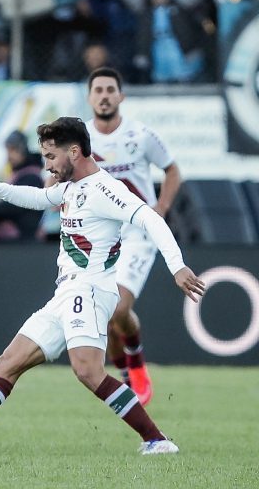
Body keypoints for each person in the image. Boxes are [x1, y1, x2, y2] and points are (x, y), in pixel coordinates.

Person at [0, 117, 204, 455]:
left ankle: (157, 441)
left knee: (88, 371)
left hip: (89, 292)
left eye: (50, 156)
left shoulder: (106, 189)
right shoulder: (71, 187)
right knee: (9, 362)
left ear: (74, 152)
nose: (46, 164)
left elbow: (150, 218)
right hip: (65, 294)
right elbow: (36, 197)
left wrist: (177, 267)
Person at [86, 66, 181, 405]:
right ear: (89, 98)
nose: (105, 96)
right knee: (107, 318)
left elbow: (172, 169)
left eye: (110, 90)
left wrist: (162, 208)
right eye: (98, 90)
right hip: (98, 239)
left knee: (118, 308)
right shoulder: (81, 140)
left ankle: (135, 360)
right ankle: (127, 371)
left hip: (137, 234)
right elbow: (56, 178)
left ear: (121, 96)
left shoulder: (140, 135)